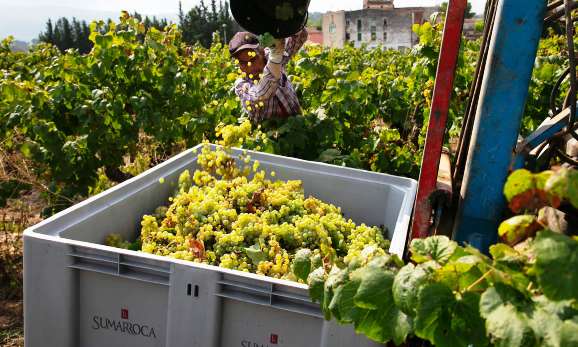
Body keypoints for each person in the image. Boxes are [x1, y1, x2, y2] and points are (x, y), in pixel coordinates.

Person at [228, 29, 308, 122]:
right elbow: (259, 95)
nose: (250, 68)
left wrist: (282, 28)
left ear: (261, 52)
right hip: (271, 134)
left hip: (299, 126)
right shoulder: (241, 86)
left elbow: (299, 36)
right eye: (242, 63)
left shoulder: (272, 54)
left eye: (253, 59)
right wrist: (275, 58)